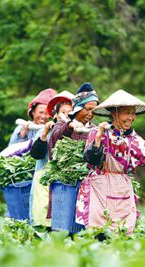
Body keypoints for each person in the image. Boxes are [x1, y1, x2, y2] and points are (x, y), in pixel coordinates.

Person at [75, 90, 145, 235]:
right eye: (126, 113)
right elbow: (91, 160)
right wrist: (98, 137)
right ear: (114, 113)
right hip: (100, 187)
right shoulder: (99, 133)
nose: (131, 117)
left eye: (133, 113)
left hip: (122, 189)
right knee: (99, 233)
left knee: (123, 233)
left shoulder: (137, 141)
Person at [30, 82, 99, 234]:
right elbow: (55, 137)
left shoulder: (94, 129)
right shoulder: (61, 126)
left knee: (81, 226)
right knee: (59, 224)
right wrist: (69, 125)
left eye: (93, 109)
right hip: (62, 182)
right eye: (88, 109)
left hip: (85, 181)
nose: (90, 113)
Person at [29, 90, 74, 227]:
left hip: (65, 182)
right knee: (42, 218)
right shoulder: (45, 131)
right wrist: (44, 134)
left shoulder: (75, 132)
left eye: (70, 113)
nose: (66, 116)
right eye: (63, 112)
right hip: (44, 179)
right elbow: (36, 154)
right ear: (55, 114)